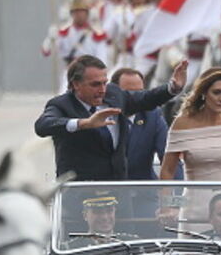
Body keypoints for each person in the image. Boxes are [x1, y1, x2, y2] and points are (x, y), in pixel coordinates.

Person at [34, 55, 187, 181]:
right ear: (76, 84)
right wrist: (83, 123)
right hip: (81, 195)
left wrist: (172, 88)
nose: (102, 90)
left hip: (118, 192)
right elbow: (43, 125)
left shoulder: (114, 95)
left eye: (104, 83)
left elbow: (145, 98)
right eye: (95, 85)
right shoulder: (62, 105)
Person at [158, 68, 221, 226]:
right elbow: (167, 172)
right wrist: (167, 208)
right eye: (217, 92)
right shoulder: (182, 124)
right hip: (193, 208)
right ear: (203, 93)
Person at [110, 67, 179, 181]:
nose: (136, 97)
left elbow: (168, 155)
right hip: (109, 191)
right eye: (130, 93)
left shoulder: (153, 115)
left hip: (144, 191)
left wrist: (176, 193)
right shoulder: (102, 115)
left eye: (140, 92)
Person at [66, 194, 137, 248]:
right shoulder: (71, 248)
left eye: (109, 211)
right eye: (97, 212)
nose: (104, 217)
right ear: (85, 215)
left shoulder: (133, 243)